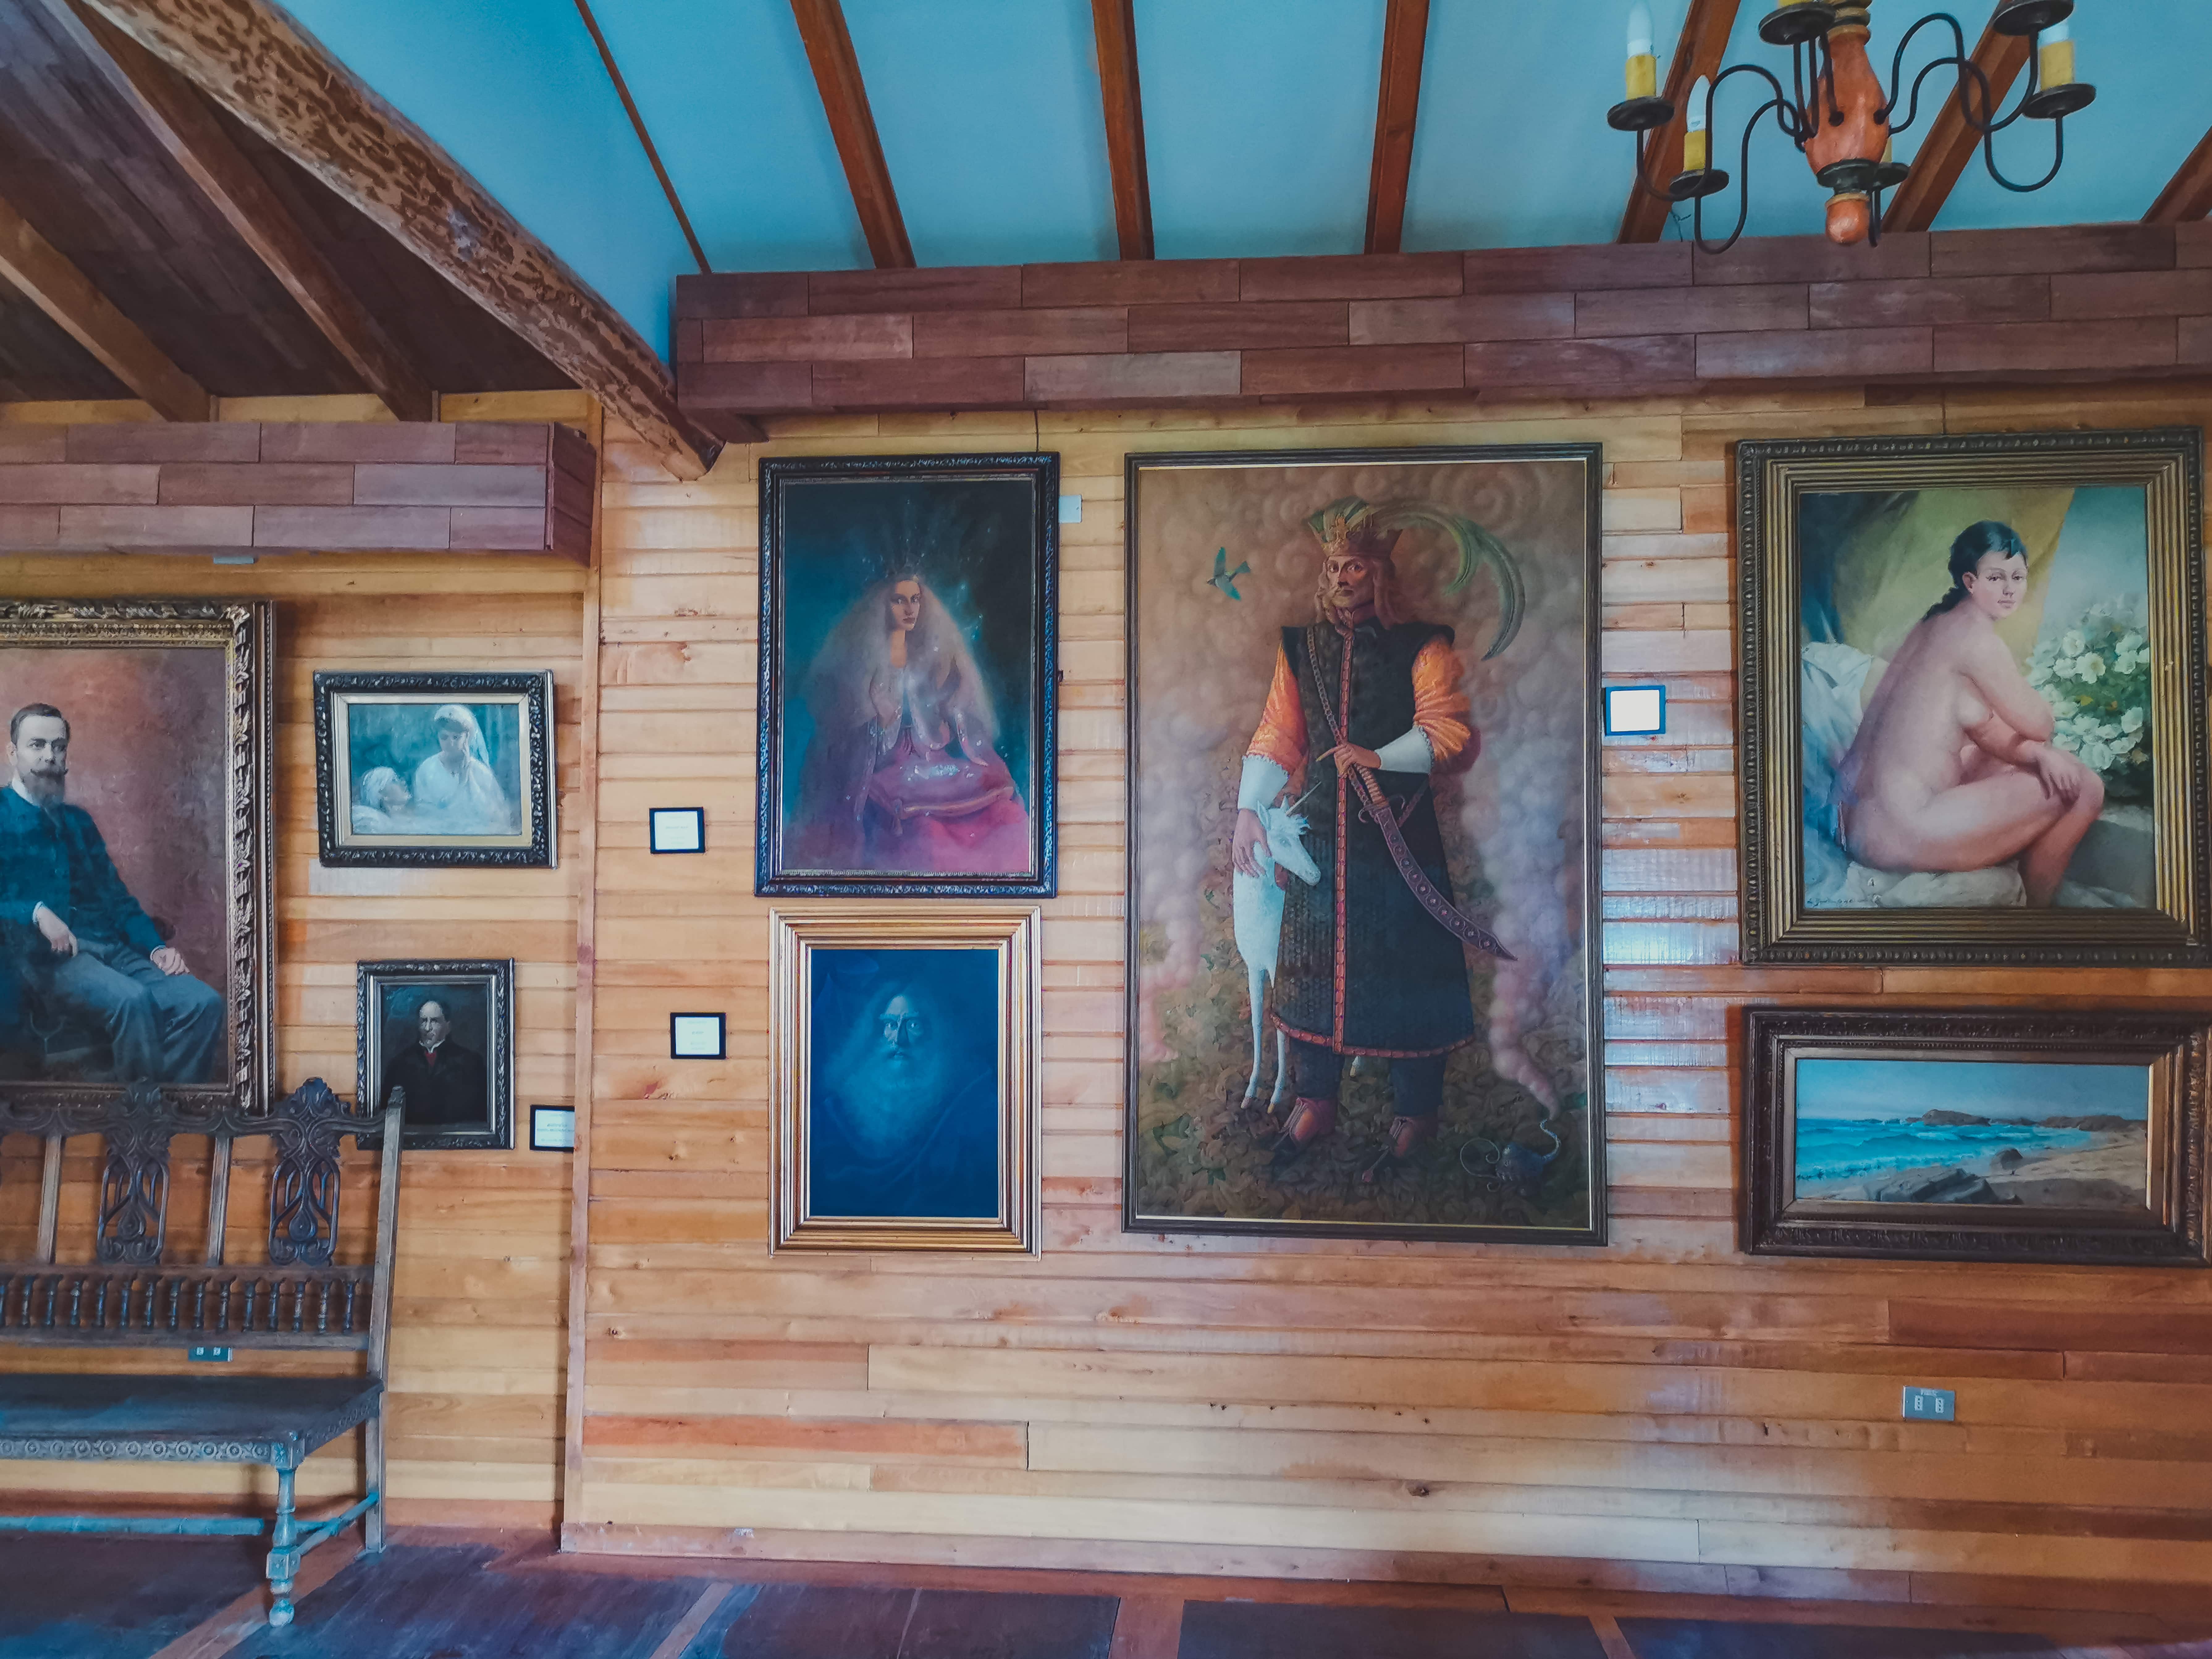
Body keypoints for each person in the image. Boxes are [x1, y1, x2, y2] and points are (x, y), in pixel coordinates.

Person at [1229, 503, 1487, 1170]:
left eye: (1356, 567)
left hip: (1397, 837)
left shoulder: (1423, 645)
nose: (1343, 577)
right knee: (1309, 969)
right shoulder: (1301, 648)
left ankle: (1415, 1117)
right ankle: (1315, 1104)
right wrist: (1249, 808)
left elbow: (1446, 731)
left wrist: (1378, 756)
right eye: (1335, 566)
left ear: (1380, 574)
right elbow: (1278, 733)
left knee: (1409, 975)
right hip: (1319, 838)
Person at [1832, 521, 2102, 908]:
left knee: (2020, 757)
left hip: (1858, 821)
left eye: (2018, 577)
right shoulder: (1976, 640)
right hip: (1901, 827)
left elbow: (1984, 727)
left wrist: (2038, 754)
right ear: (1970, 582)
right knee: (2084, 788)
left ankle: (2021, 893)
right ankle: (2038, 916)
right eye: (1996, 578)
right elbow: (2041, 724)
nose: (2010, 589)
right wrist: (2043, 733)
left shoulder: (1933, 623)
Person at [0, 703, 224, 1084]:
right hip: (48, 961)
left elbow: (117, 899)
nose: (50, 757)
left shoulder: (79, 822)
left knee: (203, 1003)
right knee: (132, 1002)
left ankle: (164, 1104)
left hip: (113, 949)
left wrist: (157, 949)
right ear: (12, 753)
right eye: (37, 745)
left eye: (58, 747)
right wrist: (36, 912)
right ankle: (139, 1112)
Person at [790, 570, 1031, 875]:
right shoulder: (868, 658)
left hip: (931, 756)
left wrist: (952, 702)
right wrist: (881, 719)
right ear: (885, 607)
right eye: (899, 601)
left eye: (915, 600)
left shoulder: (930, 656)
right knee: (924, 829)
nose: (909, 609)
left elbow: (946, 720)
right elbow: (848, 731)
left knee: (1000, 812)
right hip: (883, 761)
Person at [810, 976, 997, 1218]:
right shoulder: (834, 1113)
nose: (899, 1039)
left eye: (913, 1025)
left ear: (935, 1033)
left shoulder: (959, 1110)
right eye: (890, 1024)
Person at [378, 997, 486, 1128]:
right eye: (424, 1021)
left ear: (448, 1026)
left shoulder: (470, 1062)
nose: (427, 1028)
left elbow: (479, 1113)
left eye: (434, 1021)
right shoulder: (399, 1064)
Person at [410, 705, 513, 834]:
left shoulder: (481, 772)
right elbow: (424, 814)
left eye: (456, 737)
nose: (451, 744)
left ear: (467, 738)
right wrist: (461, 785)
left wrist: (469, 779)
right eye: (444, 737)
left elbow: (494, 815)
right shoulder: (427, 769)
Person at [350, 766, 414, 835]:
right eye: (394, 781)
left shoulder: (410, 818)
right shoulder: (375, 823)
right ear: (381, 794)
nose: (403, 782)